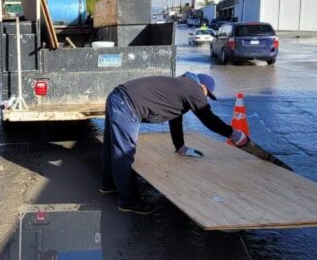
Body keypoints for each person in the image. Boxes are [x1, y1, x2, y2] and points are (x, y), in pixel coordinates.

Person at [100, 72, 248, 214]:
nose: (205, 98)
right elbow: (209, 119)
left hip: (117, 97)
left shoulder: (181, 86)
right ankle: (129, 202)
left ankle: (108, 184)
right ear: (202, 86)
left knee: (110, 147)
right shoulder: (193, 89)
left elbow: (175, 116)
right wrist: (235, 135)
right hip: (126, 103)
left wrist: (180, 147)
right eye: (207, 94)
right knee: (124, 154)